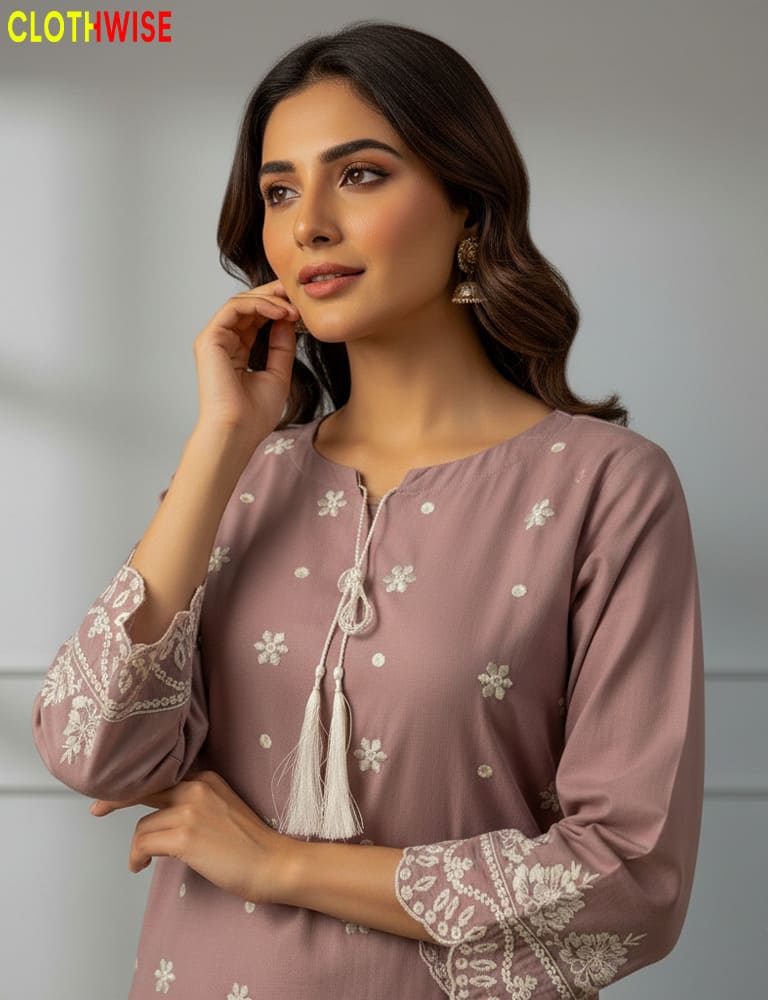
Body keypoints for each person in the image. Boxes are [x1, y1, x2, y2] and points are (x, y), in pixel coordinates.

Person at [31, 19, 704, 1000]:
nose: (307, 225)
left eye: (361, 174)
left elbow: (632, 879)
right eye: (279, 190)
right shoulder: (243, 478)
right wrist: (221, 441)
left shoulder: (607, 487)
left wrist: (276, 862)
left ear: (467, 204)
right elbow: (91, 750)